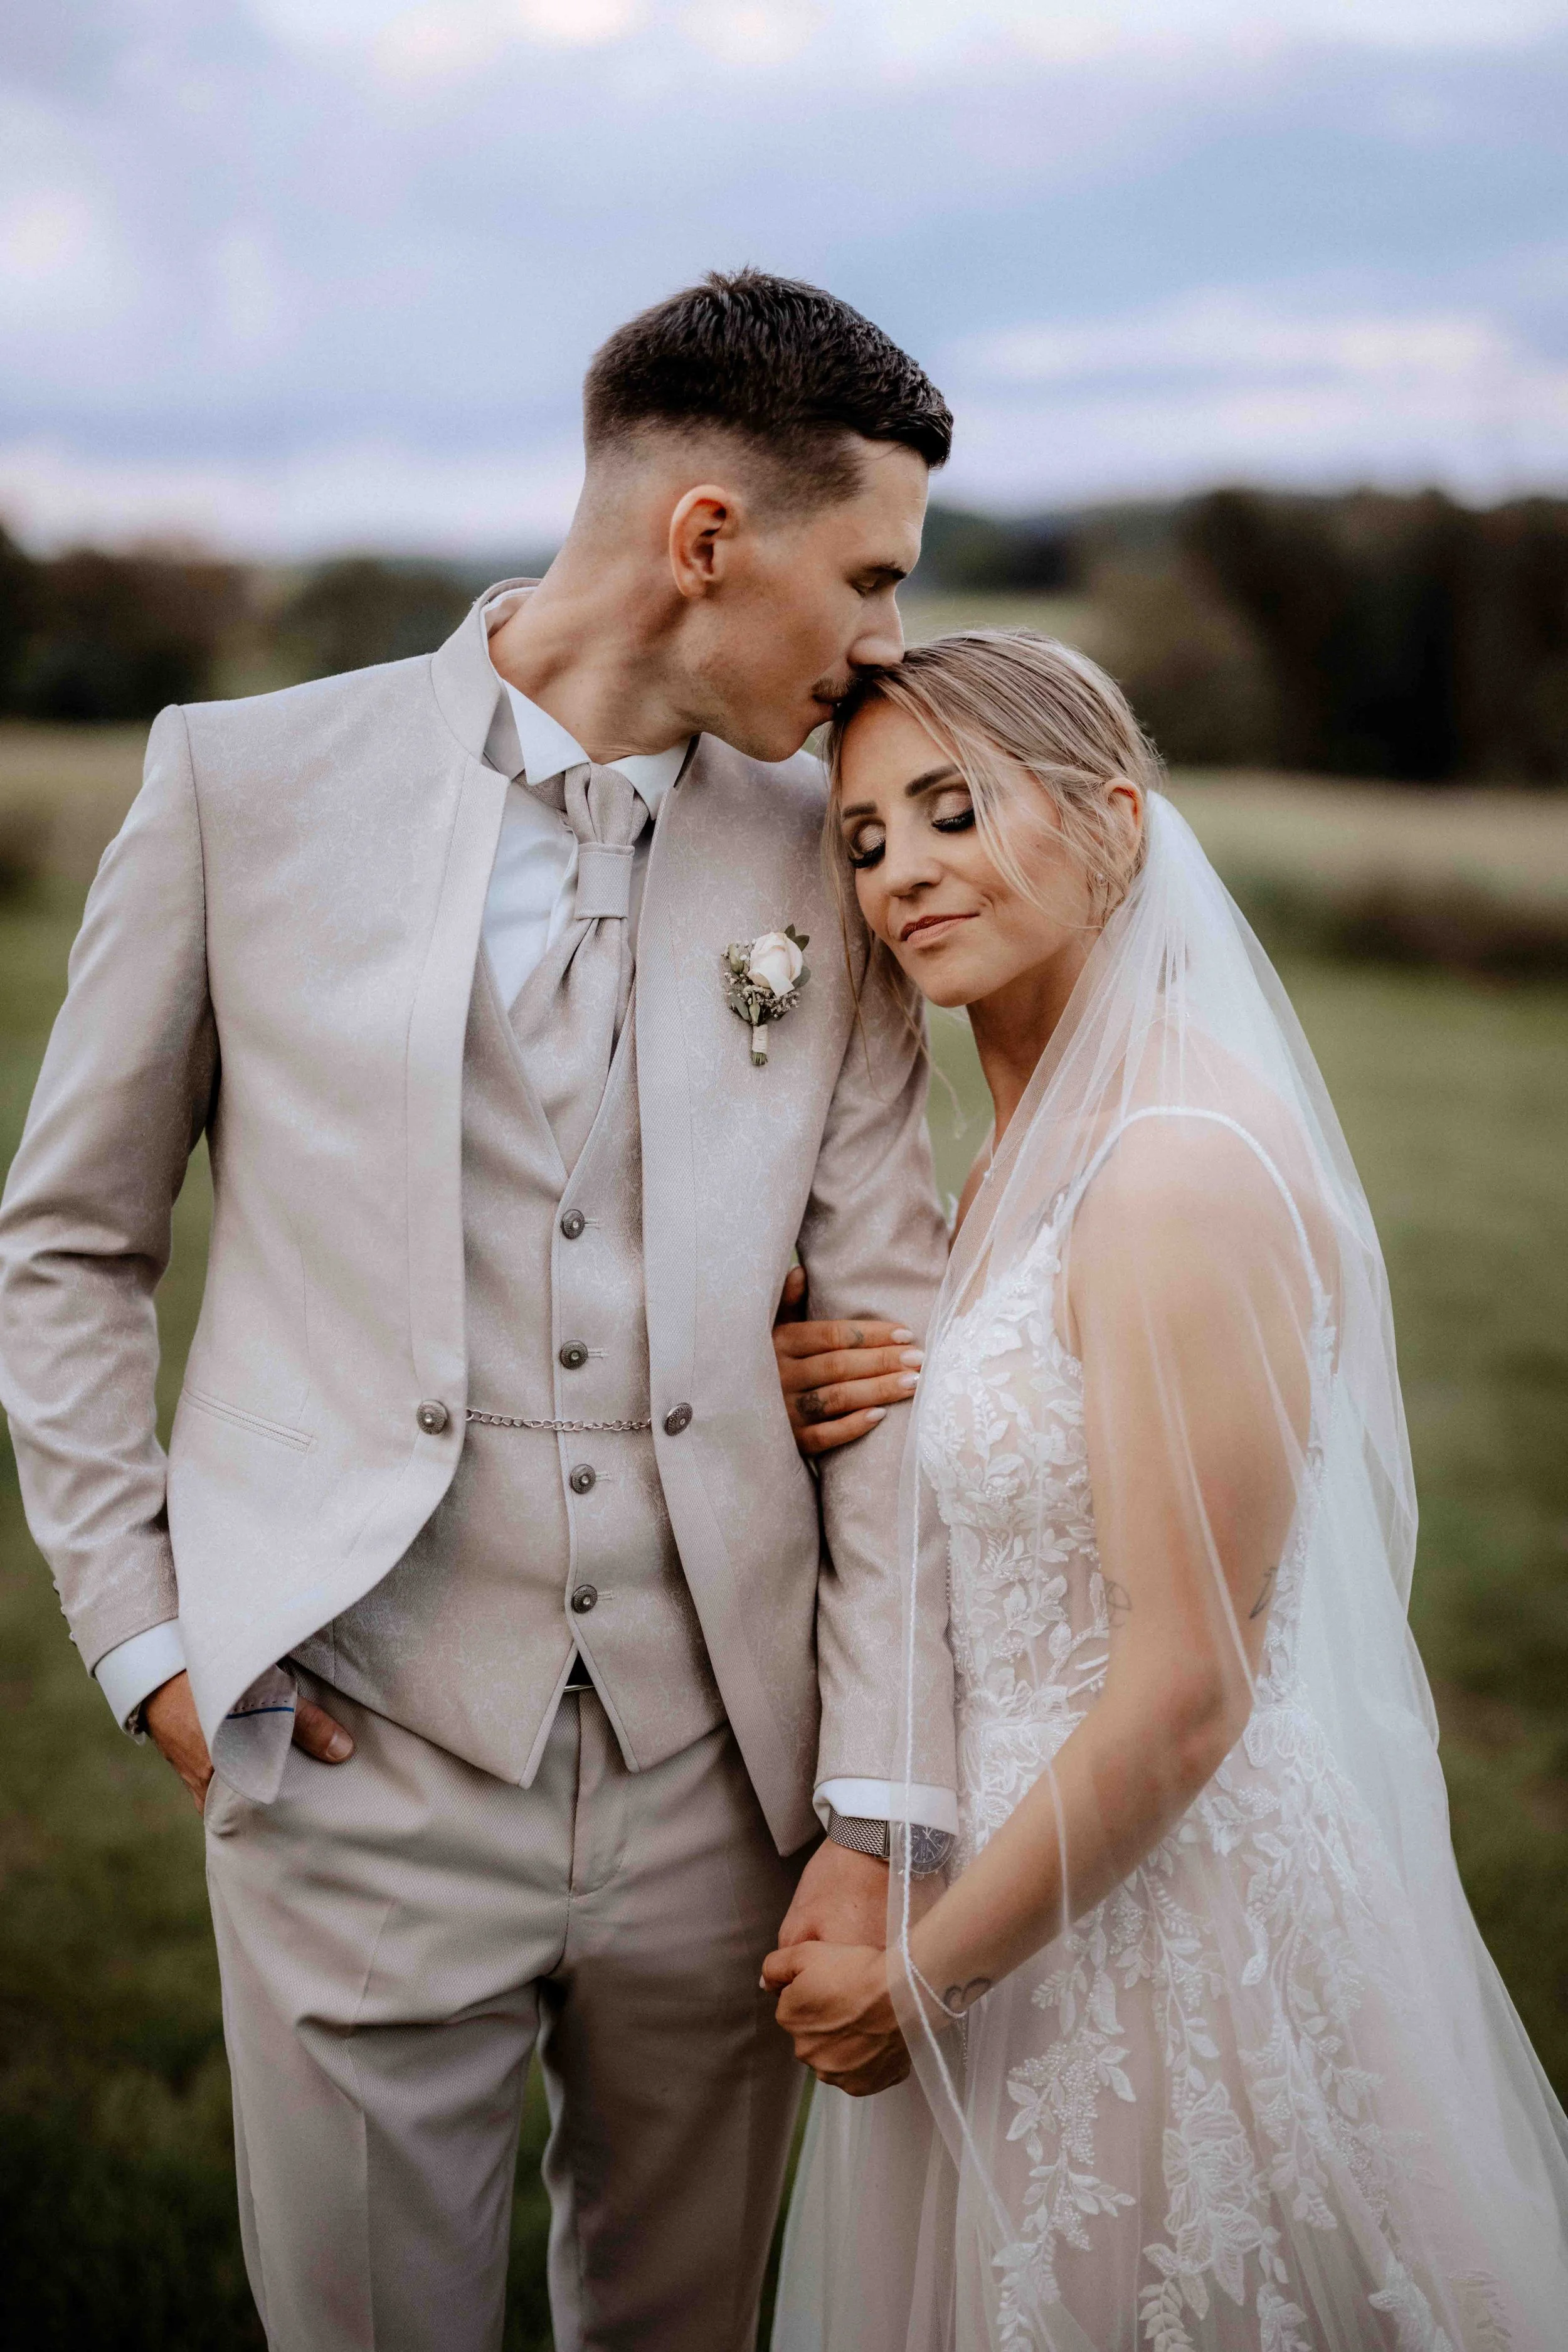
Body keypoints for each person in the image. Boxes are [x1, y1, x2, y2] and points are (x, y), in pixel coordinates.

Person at [0, 270, 962, 2352]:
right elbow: (71, 1239)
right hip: (353, 1757)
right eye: (870, 574)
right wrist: (147, 1634)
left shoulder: (834, 858)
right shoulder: (240, 785)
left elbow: (881, 1338)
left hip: (732, 1779)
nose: (892, 640)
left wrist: (878, 1806)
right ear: (705, 538)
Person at [763, 632, 1568, 2351]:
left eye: (950, 807)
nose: (899, 867)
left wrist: (923, 1976)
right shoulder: (1027, 1153)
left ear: (1114, 826)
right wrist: (864, 1378)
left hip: (1157, 1940)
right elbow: (1033, 1430)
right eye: (862, 838)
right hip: (1027, 1887)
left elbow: (1187, 1686)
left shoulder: (1172, 1170)